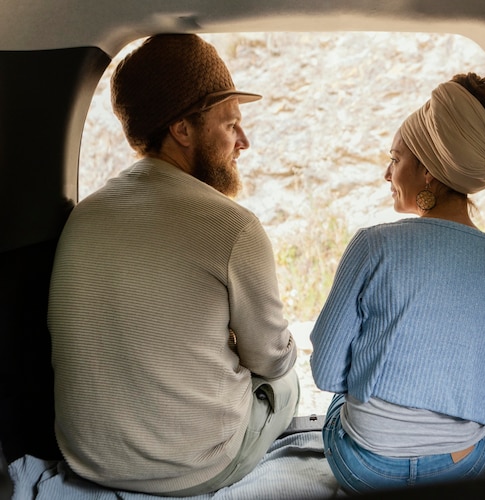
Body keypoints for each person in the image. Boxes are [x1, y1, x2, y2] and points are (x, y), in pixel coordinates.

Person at [48, 34, 299, 496]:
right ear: (183, 129)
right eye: (231, 125)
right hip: (192, 469)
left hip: (86, 458)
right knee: (288, 382)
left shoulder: (84, 215)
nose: (244, 141)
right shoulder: (233, 228)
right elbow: (270, 358)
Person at [310, 73, 485, 492]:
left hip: (365, 469)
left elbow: (324, 373)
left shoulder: (373, 245)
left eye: (395, 159)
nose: (386, 173)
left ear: (427, 171)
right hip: (459, 470)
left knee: (345, 397)